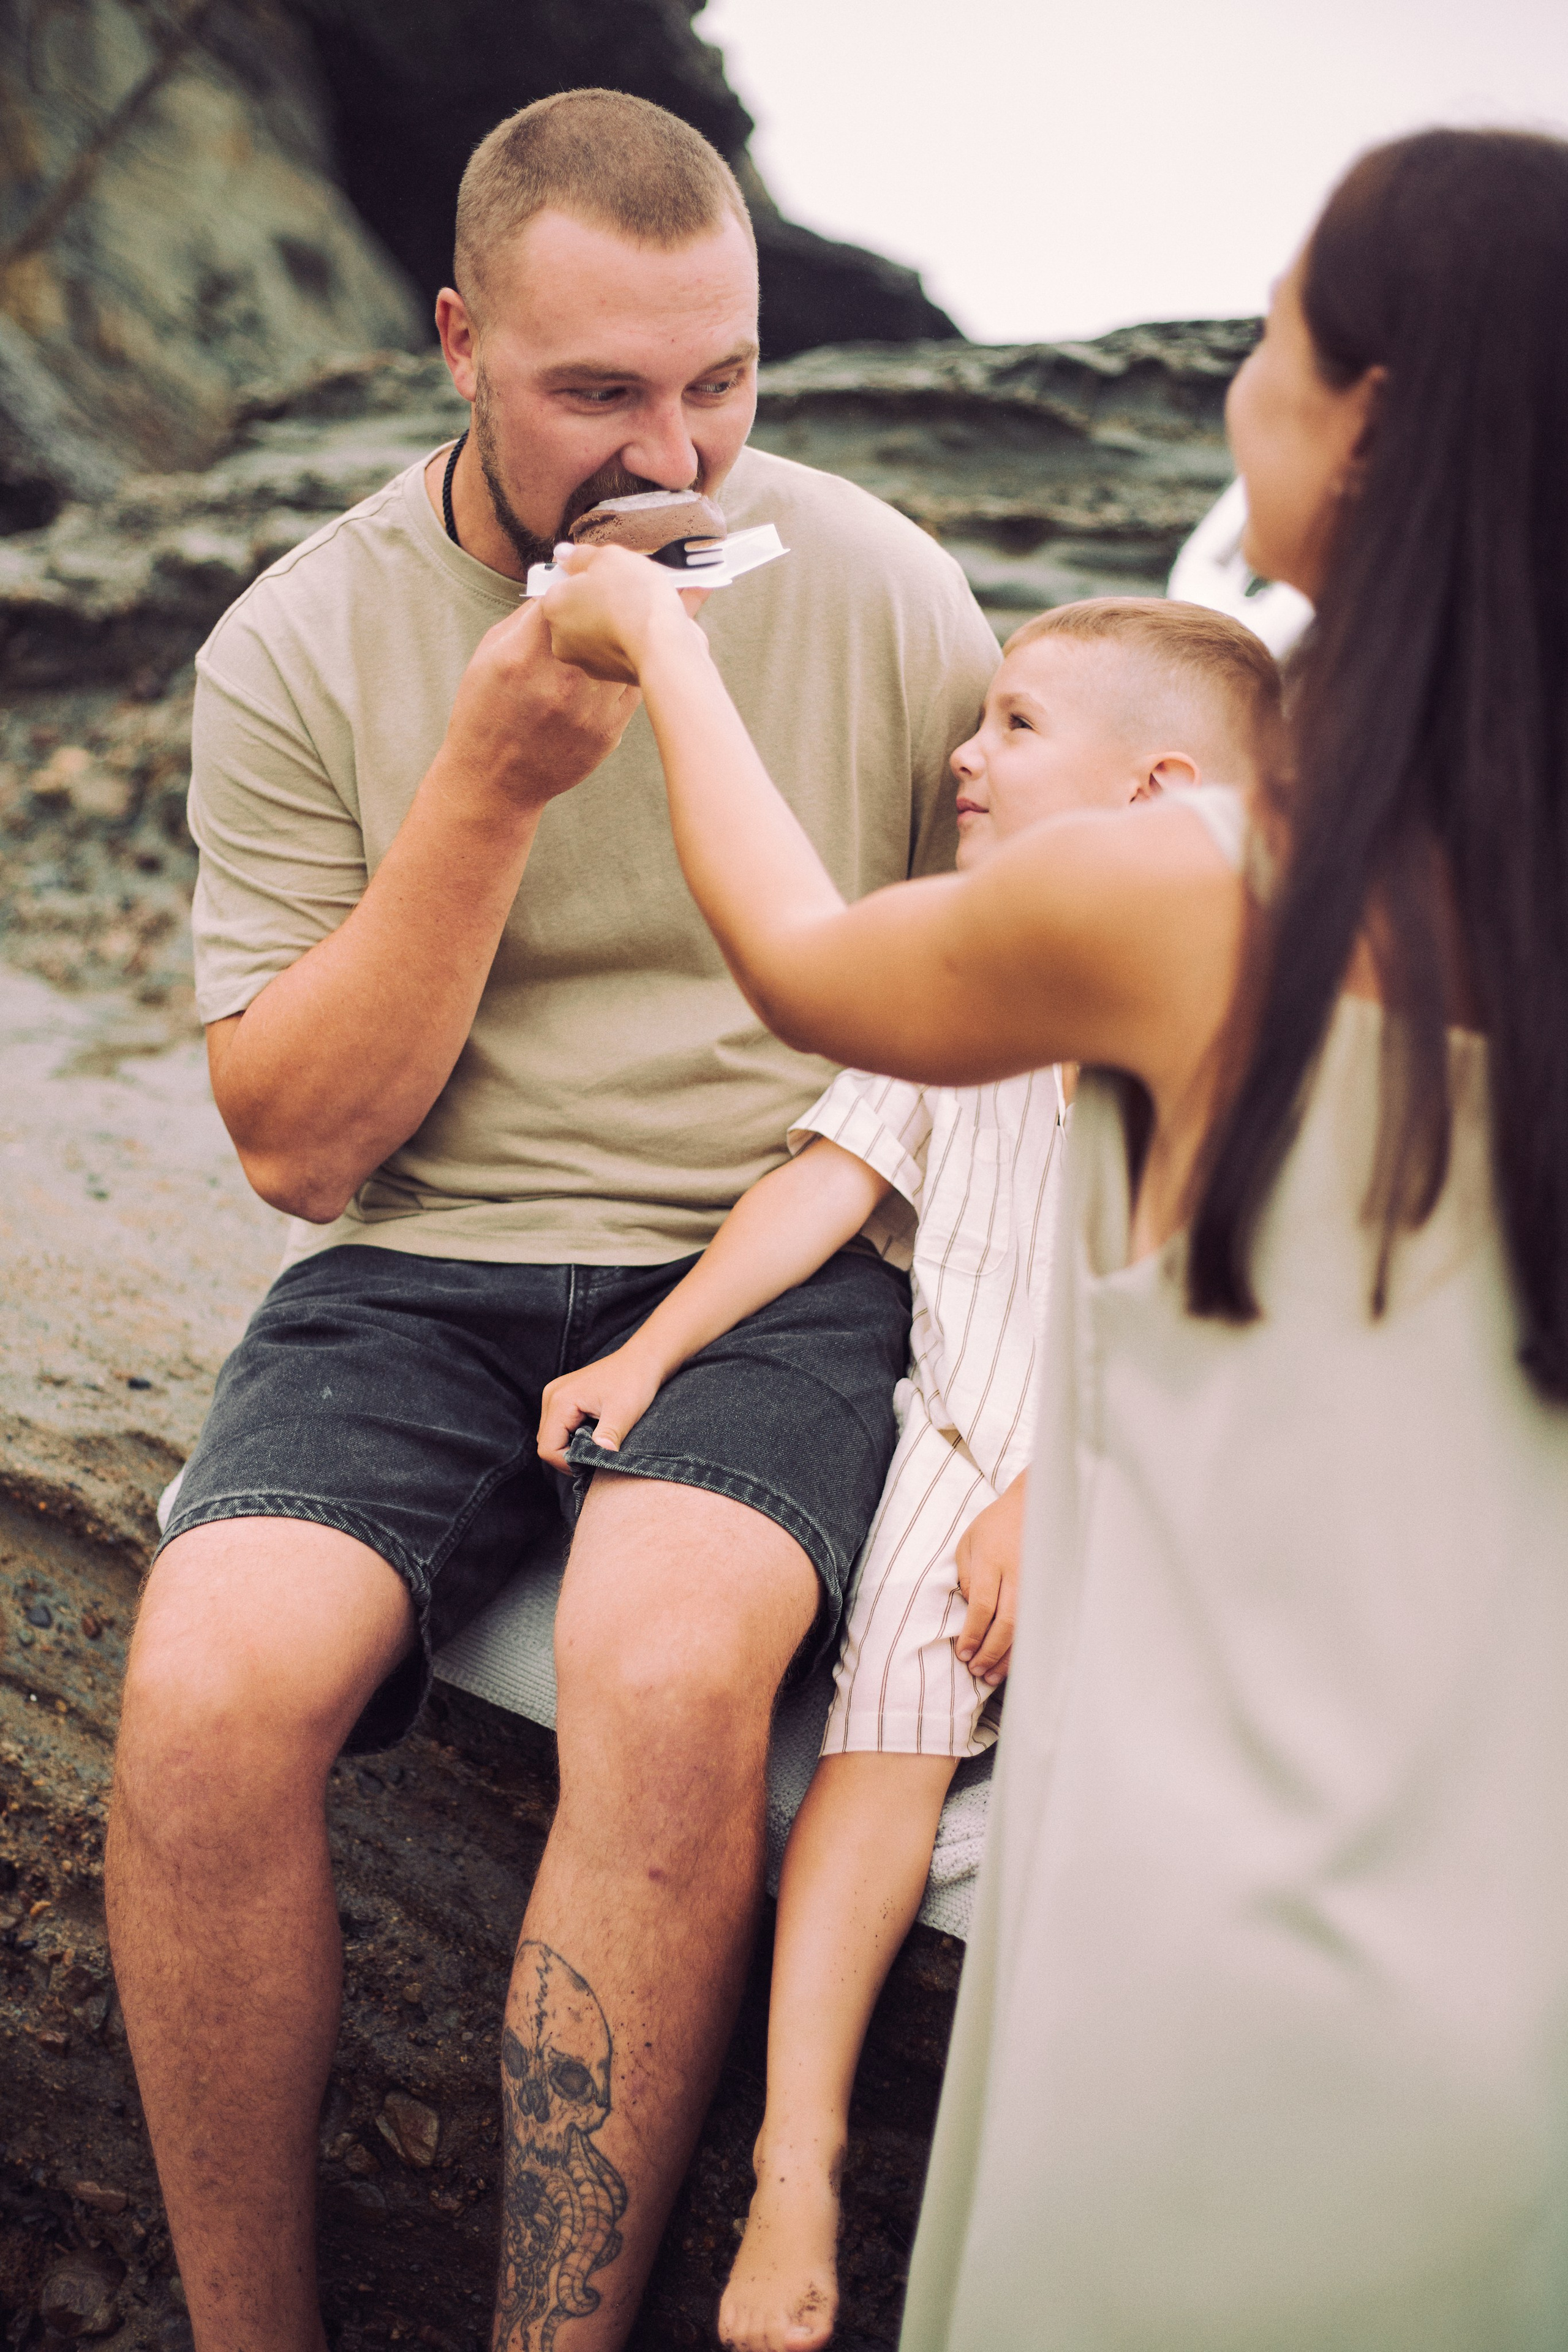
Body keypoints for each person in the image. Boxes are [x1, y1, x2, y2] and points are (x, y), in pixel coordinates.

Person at [538, 125, 1568, 2350]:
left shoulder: (1193, 909)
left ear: (1364, 418)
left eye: (1277, 331)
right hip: (1510, 1985)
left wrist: (652, 637)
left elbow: (813, 958)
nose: (1242, 384)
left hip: (1199, 1946)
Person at [102, 88, 1000, 2352]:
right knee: (206, 1698)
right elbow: (304, 1153)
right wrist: (490, 787)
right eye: (600, 390)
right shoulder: (299, 646)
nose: (672, 451)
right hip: (418, 1265)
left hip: (781, 1261)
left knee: (669, 1665)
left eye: (723, 380)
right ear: (458, 342)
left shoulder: (883, 588)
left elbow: (1000, 1043)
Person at [535, 596, 1281, 2352]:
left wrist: (1069, 1491)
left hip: (1148, 1440)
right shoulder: (963, 959)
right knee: (884, 1757)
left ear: (1157, 787)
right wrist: (649, 1349)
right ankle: (798, 2161)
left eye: (1015, 726)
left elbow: (1223, 1282)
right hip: (963, 1430)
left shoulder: (1236, 974)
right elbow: (826, 1179)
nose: (966, 749)